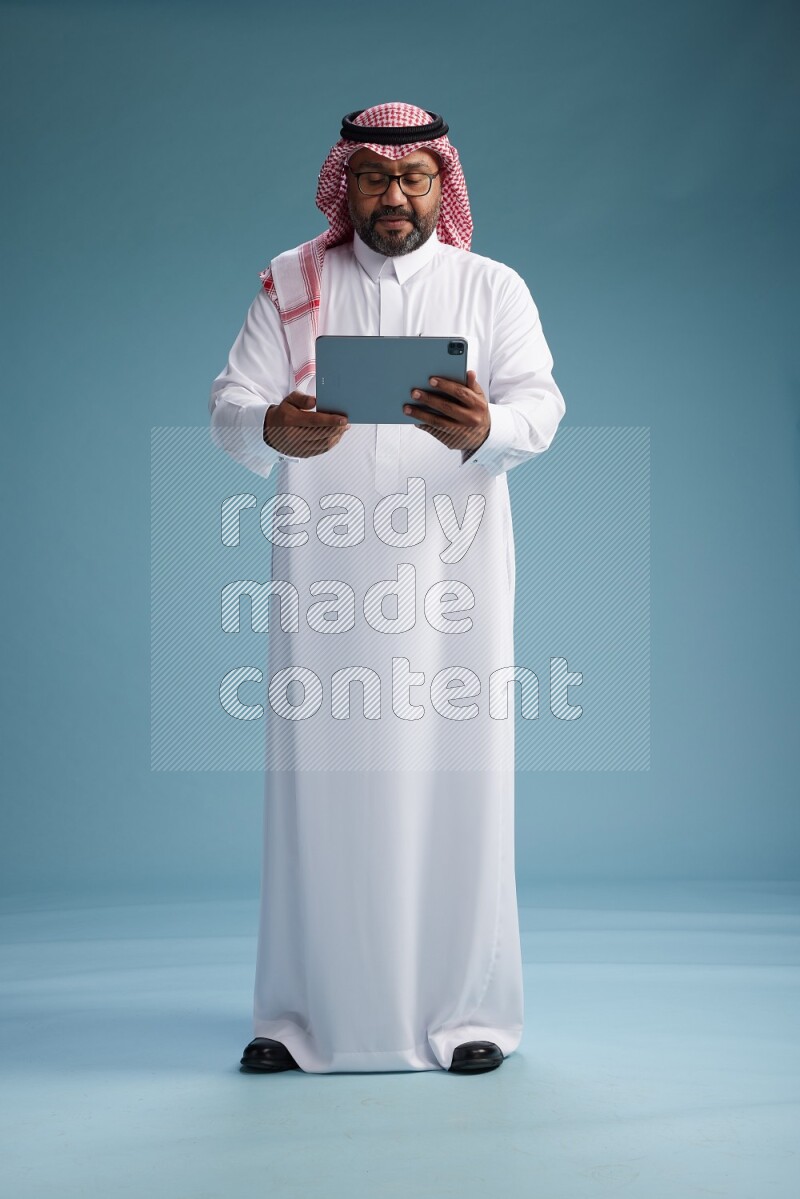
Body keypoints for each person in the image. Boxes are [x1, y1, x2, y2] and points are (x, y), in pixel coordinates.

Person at [208, 102, 566, 1075]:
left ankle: (469, 1010)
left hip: (452, 586)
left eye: (412, 178)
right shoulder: (291, 283)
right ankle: (296, 1016)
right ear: (344, 184)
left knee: (459, 781)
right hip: (324, 590)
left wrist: (486, 425)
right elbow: (231, 401)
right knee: (316, 789)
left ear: (440, 184)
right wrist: (267, 429)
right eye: (372, 176)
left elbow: (541, 400)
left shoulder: (489, 288)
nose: (393, 195)